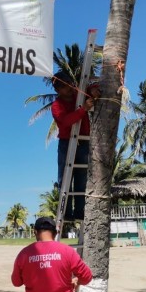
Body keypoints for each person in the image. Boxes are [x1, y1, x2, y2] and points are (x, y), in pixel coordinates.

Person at [11, 217, 93, 292]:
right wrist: (76, 281)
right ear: (55, 233)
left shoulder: (24, 254)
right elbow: (87, 277)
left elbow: (16, 282)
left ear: (35, 232)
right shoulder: (67, 251)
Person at [51, 70, 100, 220]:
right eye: (65, 86)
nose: (70, 88)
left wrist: (93, 90)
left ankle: (79, 211)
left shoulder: (79, 95)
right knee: (65, 178)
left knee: (81, 178)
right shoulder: (56, 105)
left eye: (70, 84)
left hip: (83, 141)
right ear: (58, 90)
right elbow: (65, 121)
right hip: (67, 143)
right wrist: (83, 109)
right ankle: (66, 213)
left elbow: (95, 86)